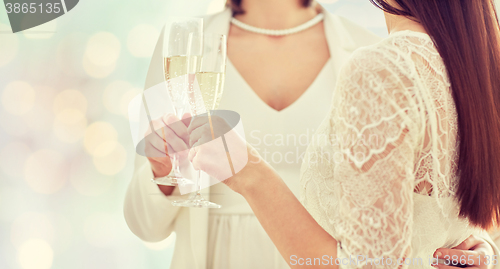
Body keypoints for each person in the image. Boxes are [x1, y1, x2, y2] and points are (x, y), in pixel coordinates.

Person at [124, 0, 499, 268]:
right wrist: (161, 175)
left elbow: (426, 204)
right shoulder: (183, 44)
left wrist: (474, 243)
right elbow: (144, 226)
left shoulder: (372, 49)